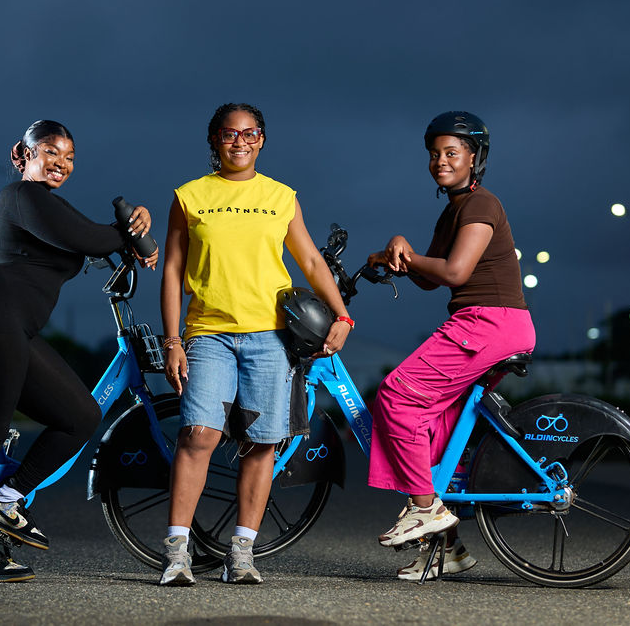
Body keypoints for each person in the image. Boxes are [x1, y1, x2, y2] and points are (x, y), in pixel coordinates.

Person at [0, 119, 158, 582]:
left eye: (70, 157)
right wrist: (131, 233)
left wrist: (134, 230)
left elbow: (84, 235)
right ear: (23, 155)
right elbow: (86, 237)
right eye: (50, 152)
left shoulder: (48, 207)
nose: (61, 163)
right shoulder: (21, 196)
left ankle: (7, 500)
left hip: (8, 327)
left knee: (82, 416)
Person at [158, 103, 354, 585]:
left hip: (270, 336)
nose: (239, 142)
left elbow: (309, 259)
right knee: (198, 435)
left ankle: (241, 553)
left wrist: (343, 315)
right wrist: (171, 339)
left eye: (250, 134)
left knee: (262, 444)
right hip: (208, 333)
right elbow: (172, 271)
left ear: (262, 139)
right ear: (215, 142)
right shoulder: (190, 196)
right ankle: (177, 552)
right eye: (229, 134)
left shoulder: (281, 197)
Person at [366, 111, 535, 581]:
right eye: (434, 154)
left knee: (397, 396)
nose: (440, 161)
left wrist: (412, 256)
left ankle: (425, 508)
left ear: (474, 158)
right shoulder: (453, 209)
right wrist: (397, 253)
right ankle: (448, 549)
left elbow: (456, 273)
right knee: (431, 425)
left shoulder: (482, 205)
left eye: (452, 153)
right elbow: (428, 279)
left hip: (489, 323)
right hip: (486, 325)